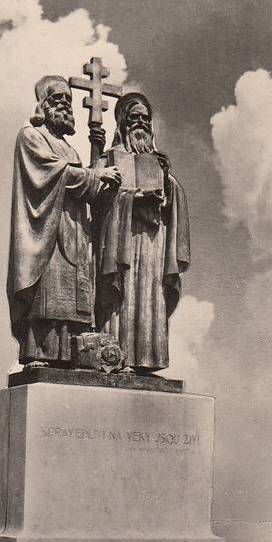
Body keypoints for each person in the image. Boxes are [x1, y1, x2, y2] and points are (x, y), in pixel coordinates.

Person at [7, 75, 120, 367]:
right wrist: (94, 175)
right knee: (48, 291)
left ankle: (71, 355)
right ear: (43, 105)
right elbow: (54, 173)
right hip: (46, 228)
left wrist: (101, 163)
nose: (65, 106)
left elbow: (89, 188)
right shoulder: (31, 136)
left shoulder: (71, 149)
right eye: (58, 99)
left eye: (68, 101)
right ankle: (37, 353)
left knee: (73, 294)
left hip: (76, 230)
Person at [93, 92, 190, 372]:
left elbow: (175, 198)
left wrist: (167, 189)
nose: (140, 123)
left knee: (151, 295)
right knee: (123, 294)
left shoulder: (158, 162)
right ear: (123, 123)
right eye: (134, 118)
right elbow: (96, 198)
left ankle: (146, 360)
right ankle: (115, 359)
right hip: (121, 242)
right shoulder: (111, 158)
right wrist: (133, 198)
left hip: (154, 242)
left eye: (145, 118)